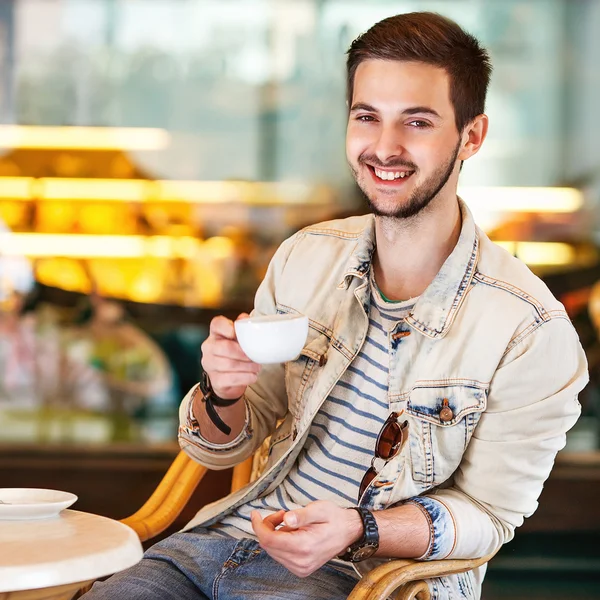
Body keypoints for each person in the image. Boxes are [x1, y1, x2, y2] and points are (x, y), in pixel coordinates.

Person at [83, 12, 588, 600]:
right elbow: (229, 443)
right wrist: (222, 390)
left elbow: (489, 516)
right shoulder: (305, 257)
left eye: (417, 122)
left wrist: (360, 527)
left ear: (471, 137)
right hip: (215, 543)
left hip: (359, 579)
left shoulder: (529, 329)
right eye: (366, 117)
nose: (384, 147)